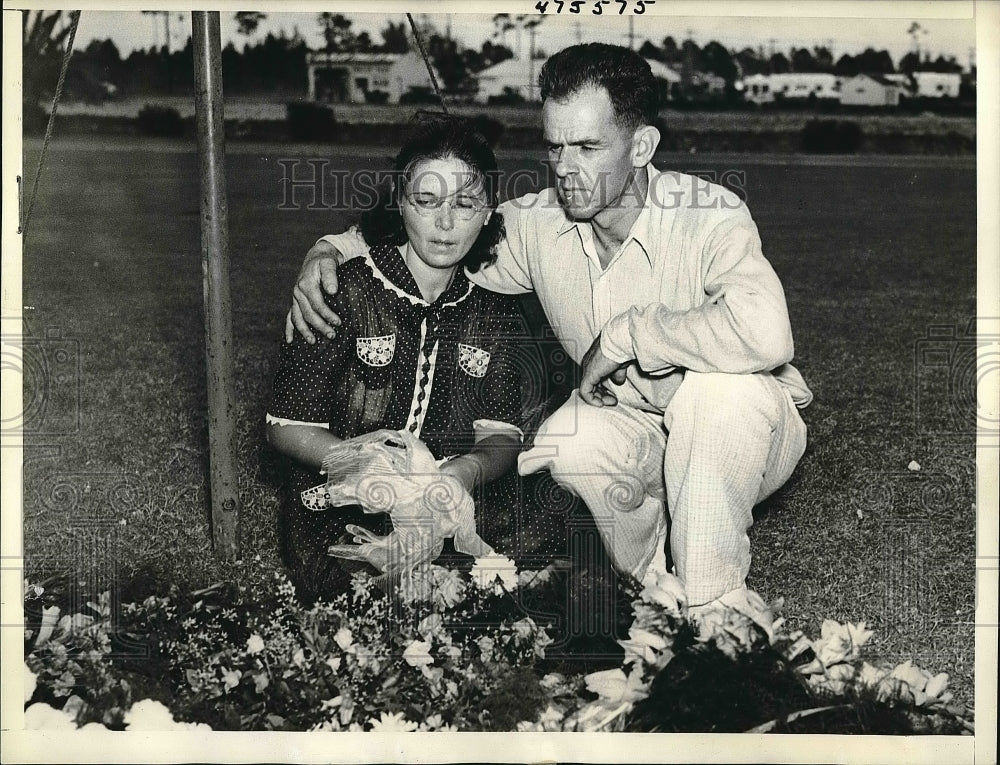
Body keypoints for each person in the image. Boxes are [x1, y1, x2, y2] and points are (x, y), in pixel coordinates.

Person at [284, 43, 813, 612]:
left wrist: (628, 335)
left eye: (588, 147)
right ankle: (643, 588)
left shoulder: (710, 214)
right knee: (568, 446)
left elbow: (765, 334)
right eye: (555, 146)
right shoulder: (540, 223)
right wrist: (329, 250)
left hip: (746, 431)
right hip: (638, 430)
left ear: (642, 146)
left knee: (717, 394)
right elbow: (441, 227)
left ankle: (711, 604)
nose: (566, 168)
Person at [267, 119, 549, 603]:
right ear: (400, 203)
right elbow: (285, 427)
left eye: (465, 204)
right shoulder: (344, 289)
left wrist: (461, 473)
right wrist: (370, 469)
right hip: (353, 494)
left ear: (487, 214)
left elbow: (502, 436)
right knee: (362, 589)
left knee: (549, 513)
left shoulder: (495, 307)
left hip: (449, 488)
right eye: (427, 201)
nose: (445, 223)